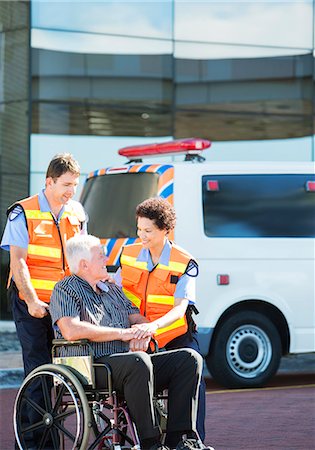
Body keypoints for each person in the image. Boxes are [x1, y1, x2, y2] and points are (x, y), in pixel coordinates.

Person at [50, 234, 214, 450]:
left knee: (189, 358)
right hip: (94, 364)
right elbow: (71, 330)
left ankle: (179, 439)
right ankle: (150, 443)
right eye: (101, 256)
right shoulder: (65, 289)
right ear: (84, 265)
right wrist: (122, 334)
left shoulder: (112, 289)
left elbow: (136, 318)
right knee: (138, 362)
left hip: (129, 363)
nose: (106, 258)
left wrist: (143, 332)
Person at [0, 153, 87, 449]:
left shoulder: (76, 212)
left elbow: (82, 258)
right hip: (31, 304)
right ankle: (37, 444)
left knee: (66, 375)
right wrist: (34, 301)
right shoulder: (22, 212)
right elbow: (18, 262)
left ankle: (33, 442)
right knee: (38, 373)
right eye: (66, 184)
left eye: (75, 185)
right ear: (48, 181)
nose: (71, 191)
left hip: (64, 306)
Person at [114, 197, 207, 442]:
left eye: (148, 231)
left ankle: (187, 440)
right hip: (137, 334)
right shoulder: (128, 255)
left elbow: (180, 310)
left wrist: (153, 326)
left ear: (165, 230)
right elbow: (115, 293)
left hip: (174, 335)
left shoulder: (184, 261)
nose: (141, 236)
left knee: (193, 369)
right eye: (139, 229)